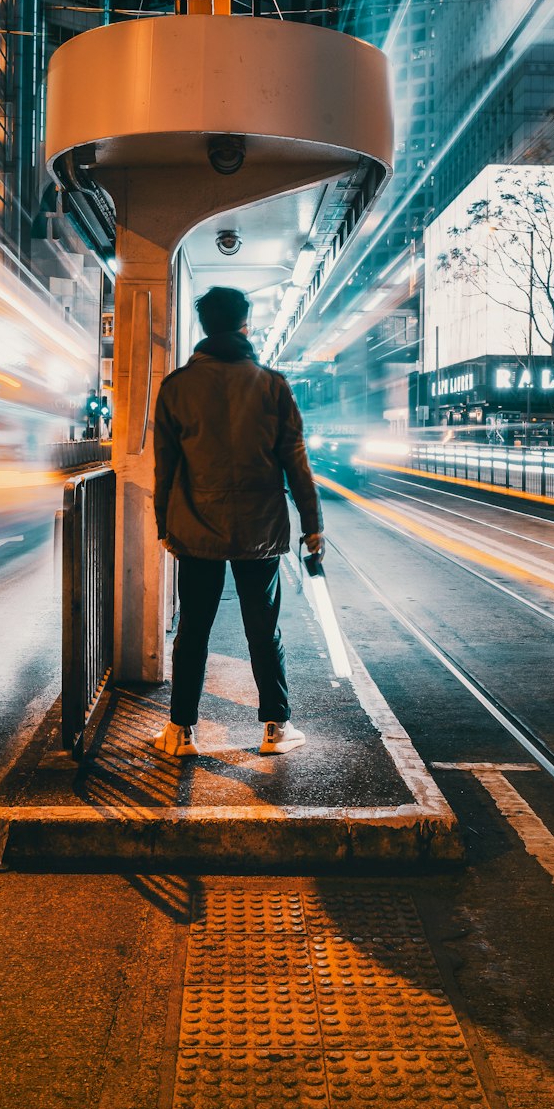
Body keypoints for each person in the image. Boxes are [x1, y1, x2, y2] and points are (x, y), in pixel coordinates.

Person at [152, 285, 324, 758]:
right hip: (260, 529)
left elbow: (164, 466)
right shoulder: (272, 385)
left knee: (193, 630)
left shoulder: (176, 387)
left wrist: (164, 524)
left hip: (196, 527)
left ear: (205, 327)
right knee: (263, 628)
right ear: (246, 324)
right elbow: (296, 463)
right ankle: (274, 728)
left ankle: (182, 732)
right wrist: (312, 525)